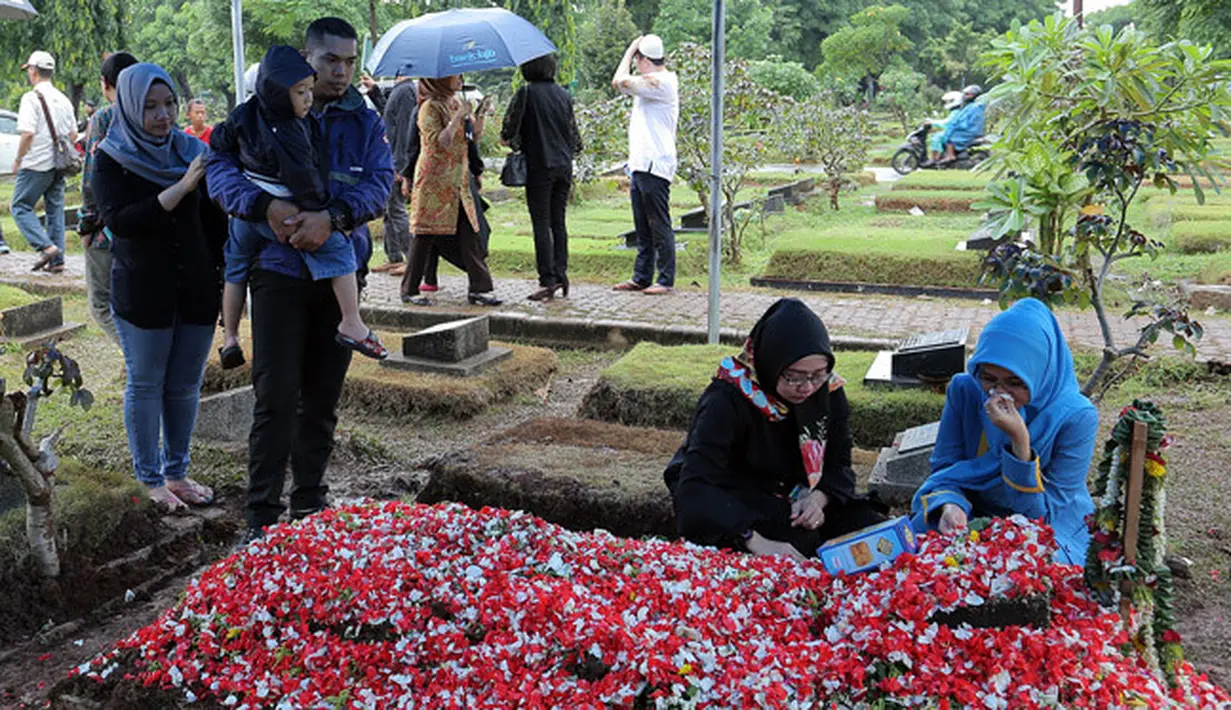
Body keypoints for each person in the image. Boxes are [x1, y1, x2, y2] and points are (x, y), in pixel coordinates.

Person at [206, 17, 395, 543]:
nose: (340, 72)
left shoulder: (364, 120)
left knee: (322, 397)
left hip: (339, 273)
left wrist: (331, 219)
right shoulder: (257, 115)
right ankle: (261, 516)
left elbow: (381, 184)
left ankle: (310, 504)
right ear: (303, 61)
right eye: (330, 61)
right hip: (279, 274)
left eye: (349, 62)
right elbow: (219, 170)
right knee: (274, 396)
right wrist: (264, 206)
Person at [92, 63, 225, 513]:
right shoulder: (110, 157)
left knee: (185, 386)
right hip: (143, 290)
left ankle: (177, 473)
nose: (163, 115)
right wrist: (181, 187)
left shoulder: (191, 149)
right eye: (150, 107)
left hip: (195, 288)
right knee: (147, 384)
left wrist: (223, 279)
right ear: (128, 108)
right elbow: (120, 223)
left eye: (169, 104)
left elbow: (214, 223)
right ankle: (150, 479)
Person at [664, 298, 889, 560]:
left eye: (817, 374)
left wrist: (818, 499)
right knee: (799, 544)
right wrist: (753, 540)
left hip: (799, 496)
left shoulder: (827, 391)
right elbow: (696, 487)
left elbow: (839, 464)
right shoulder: (727, 399)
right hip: (737, 499)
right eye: (793, 376)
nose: (806, 387)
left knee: (869, 529)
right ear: (771, 364)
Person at [211, 45, 388, 369]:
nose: (308, 99)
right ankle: (352, 322)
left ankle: (231, 337)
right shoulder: (290, 130)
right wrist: (321, 213)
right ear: (279, 93)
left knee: (234, 271)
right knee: (340, 252)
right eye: (301, 92)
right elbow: (303, 179)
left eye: (309, 90)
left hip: (244, 216)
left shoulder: (247, 112)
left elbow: (220, 142)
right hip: (281, 214)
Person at [910, 298, 1099, 565]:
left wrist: (1019, 442)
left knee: (1035, 571)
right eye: (989, 378)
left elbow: (1042, 515)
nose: (999, 394)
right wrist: (951, 504)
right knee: (918, 554)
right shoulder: (966, 390)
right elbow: (945, 468)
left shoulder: (1076, 417)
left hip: (1049, 523)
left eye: (1015, 383)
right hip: (974, 509)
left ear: (1040, 374)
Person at [401, 75, 501, 307]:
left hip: (457, 180)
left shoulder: (455, 101)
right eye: (456, 76)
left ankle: (480, 288)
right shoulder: (428, 108)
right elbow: (439, 142)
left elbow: (472, 135)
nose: (460, 80)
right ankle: (409, 289)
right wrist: (457, 117)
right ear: (440, 79)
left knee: (469, 232)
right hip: (434, 182)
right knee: (424, 235)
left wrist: (481, 112)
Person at [501, 54, 581, 302]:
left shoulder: (526, 94)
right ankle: (562, 275)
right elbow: (575, 138)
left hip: (539, 166)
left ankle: (547, 280)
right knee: (559, 222)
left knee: (541, 223)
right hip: (563, 166)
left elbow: (508, 132)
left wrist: (513, 139)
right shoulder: (564, 95)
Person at [78, 50, 140, 345]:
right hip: (148, 222)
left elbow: (92, 178)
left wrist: (86, 225)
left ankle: (137, 359)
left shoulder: (105, 117)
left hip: (109, 229)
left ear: (105, 83)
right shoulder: (150, 113)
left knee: (102, 304)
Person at [611, 35, 678, 296]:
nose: (635, 64)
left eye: (637, 59)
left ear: (644, 60)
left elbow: (617, 81)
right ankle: (642, 276)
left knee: (658, 223)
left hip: (655, 163)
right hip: (641, 164)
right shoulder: (650, 82)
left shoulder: (660, 82)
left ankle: (665, 279)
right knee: (642, 225)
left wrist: (628, 51)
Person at [10, 50, 77, 274]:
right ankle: (58, 262)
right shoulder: (64, 99)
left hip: (36, 164)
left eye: (29, 69)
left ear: (34, 71)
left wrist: (18, 159)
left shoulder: (31, 98)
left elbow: (27, 133)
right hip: (59, 165)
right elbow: (73, 134)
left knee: (19, 206)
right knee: (54, 210)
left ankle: (46, 247)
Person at [375, 74, 416, 273]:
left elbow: (405, 131)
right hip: (389, 160)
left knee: (397, 210)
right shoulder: (399, 91)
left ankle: (412, 260)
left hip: (396, 163)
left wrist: (400, 167)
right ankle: (394, 256)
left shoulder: (406, 92)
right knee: (389, 211)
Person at [937, 85, 986, 164]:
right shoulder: (974, 106)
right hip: (972, 129)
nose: (965, 96)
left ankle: (950, 156)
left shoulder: (974, 107)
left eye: (968, 94)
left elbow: (965, 121)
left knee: (950, 139)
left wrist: (956, 126)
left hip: (969, 130)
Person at [927, 90, 963, 163]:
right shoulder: (955, 112)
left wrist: (932, 122)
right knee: (935, 134)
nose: (947, 103)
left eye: (949, 101)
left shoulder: (956, 112)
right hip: (952, 131)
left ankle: (935, 159)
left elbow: (947, 122)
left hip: (953, 132)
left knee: (936, 137)